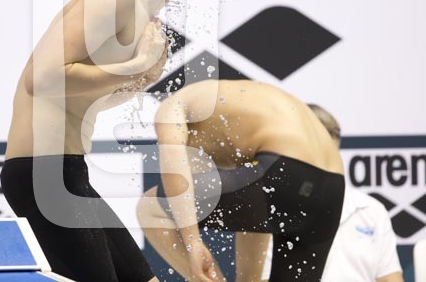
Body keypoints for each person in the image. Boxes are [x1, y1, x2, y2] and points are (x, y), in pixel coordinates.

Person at [1, 0, 217, 282]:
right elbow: (40, 79)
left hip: (67, 171)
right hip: (41, 174)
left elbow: (81, 98)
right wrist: (132, 67)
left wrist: (138, 81)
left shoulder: (144, 15)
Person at [136, 79, 345, 282]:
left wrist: (193, 243)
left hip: (287, 167)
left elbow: (175, 170)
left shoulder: (173, 106)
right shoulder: (237, 112)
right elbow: (257, 215)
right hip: (333, 187)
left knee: (151, 208)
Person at [261, 104, 404, 282]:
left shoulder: (372, 210)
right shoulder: (271, 213)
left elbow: (391, 278)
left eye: (327, 152)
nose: (320, 162)